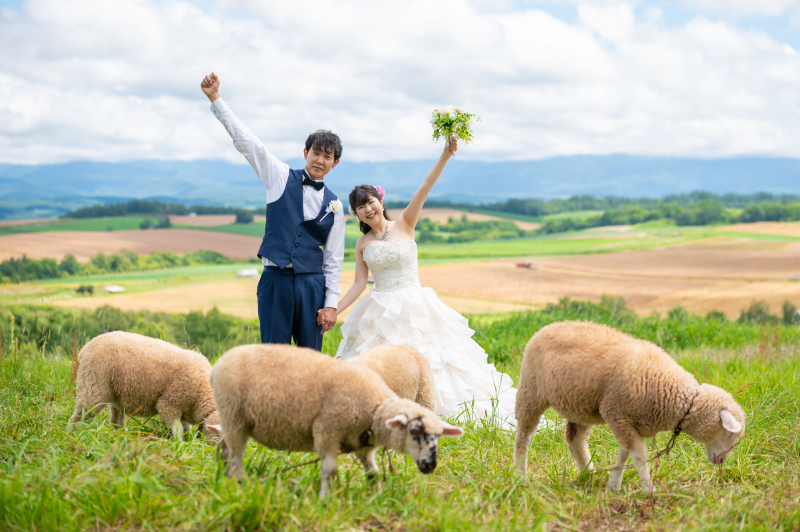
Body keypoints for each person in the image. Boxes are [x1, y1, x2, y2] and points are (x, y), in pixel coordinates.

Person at [333, 137, 517, 426]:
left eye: (370, 202)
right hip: (379, 308)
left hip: (415, 305)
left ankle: (436, 410)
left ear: (380, 202)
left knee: (437, 358)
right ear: (355, 213)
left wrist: (445, 154)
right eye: (360, 206)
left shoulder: (405, 223)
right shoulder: (361, 244)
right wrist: (334, 310)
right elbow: (358, 284)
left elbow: (424, 187)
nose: (367, 209)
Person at [200, 72, 345, 351]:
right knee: (272, 358)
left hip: (312, 286)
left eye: (327, 157)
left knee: (309, 360)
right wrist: (216, 98)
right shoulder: (279, 176)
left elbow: (333, 260)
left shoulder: (336, 207)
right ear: (305, 152)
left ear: (334, 163)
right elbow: (247, 143)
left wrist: (331, 304)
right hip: (275, 281)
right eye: (316, 153)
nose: (320, 160)